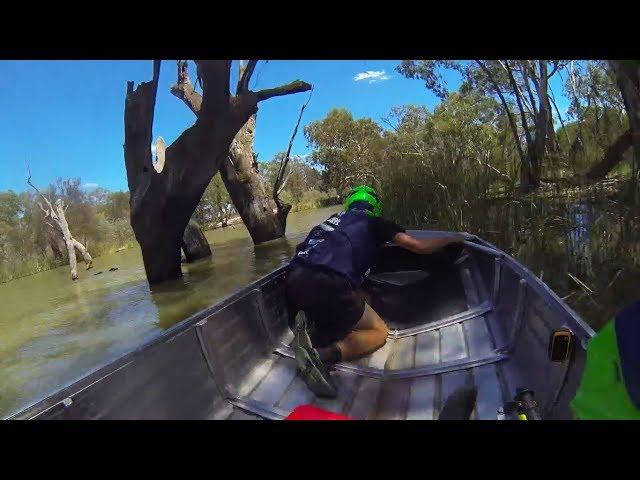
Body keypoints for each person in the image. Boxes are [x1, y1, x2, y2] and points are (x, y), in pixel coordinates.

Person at [286, 185, 464, 397]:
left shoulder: (326, 223)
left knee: (345, 296)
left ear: (349, 204)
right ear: (376, 207)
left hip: (293, 280)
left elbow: (301, 250)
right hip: (328, 282)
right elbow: (419, 247)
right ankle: (320, 356)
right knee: (379, 332)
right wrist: (453, 238)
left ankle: (314, 323)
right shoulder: (375, 222)